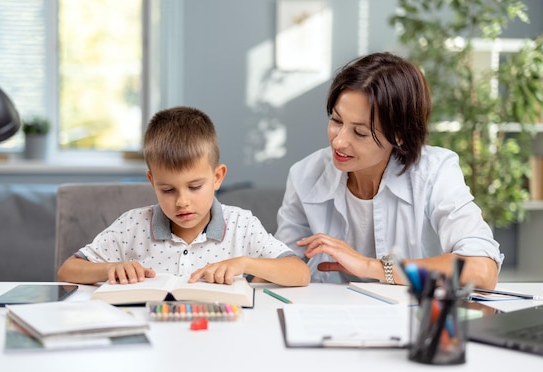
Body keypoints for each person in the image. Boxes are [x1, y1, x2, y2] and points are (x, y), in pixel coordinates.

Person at [274, 52, 503, 290]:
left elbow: (482, 270)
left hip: (413, 320)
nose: (339, 142)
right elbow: (280, 263)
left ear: (399, 135)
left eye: (360, 132)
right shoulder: (305, 175)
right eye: (336, 121)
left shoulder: (435, 172)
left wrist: (371, 267)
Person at [58, 106, 310, 287]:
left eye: (195, 187)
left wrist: (245, 264)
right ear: (152, 182)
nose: (182, 201)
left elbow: (300, 274)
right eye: (167, 190)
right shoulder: (132, 225)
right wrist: (111, 268)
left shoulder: (241, 225)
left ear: (218, 177)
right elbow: (67, 271)